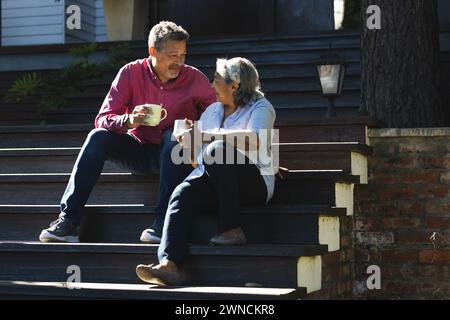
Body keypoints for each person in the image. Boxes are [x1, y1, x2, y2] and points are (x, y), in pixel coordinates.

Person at [39, 21, 215, 243]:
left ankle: (163, 224)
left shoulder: (196, 78)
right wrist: (128, 120)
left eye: (183, 54)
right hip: (139, 151)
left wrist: (194, 128)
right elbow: (102, 119)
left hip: (176, 154)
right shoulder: (130, 73)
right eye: (173, 55)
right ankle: (69, 221)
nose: (179, 61)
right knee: (97, 137)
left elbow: (217, 118)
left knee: (174, 134)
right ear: (153, 51)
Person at [135, 57, 276, 285]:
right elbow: (196, 161)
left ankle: (231, 229)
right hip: (217, 182)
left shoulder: (261, 107)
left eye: (216, 80)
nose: (211, 85)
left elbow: (256, 139)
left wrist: (207, 137)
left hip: (254, 184)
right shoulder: (212, 111)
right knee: (183, 192)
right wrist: (190, 141)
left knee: (218, 149)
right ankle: (168, 264)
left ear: (234, 85)